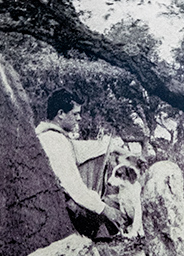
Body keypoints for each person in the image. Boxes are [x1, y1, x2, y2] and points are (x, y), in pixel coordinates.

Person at [35, 89, 128, 239]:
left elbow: (85, 148)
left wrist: (118, 150)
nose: (79, 118)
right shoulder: (53, 141)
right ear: (60, 114)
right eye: (75, 114)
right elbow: (73, 187)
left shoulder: (54, 136)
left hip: (58, 204)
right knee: (113, 213)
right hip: (62, 208)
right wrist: (105, 210)